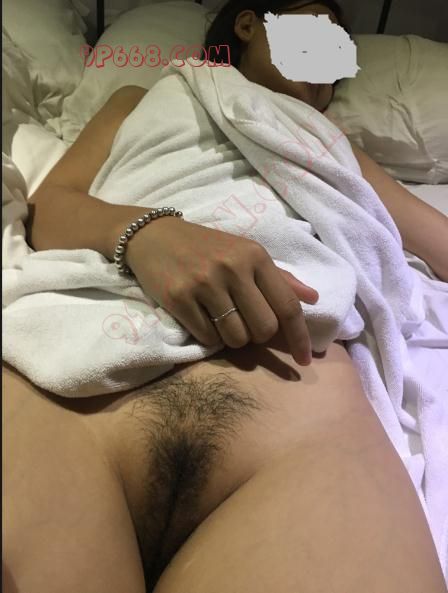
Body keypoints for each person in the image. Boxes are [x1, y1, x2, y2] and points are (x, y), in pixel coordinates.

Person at [4, 1, 448, 592]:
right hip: (70, 371)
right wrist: (148, 235)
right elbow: (49, 210)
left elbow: (436, 240)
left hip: (296, 424)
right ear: (248, 24)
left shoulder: (328, 142)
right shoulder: (141, 99)